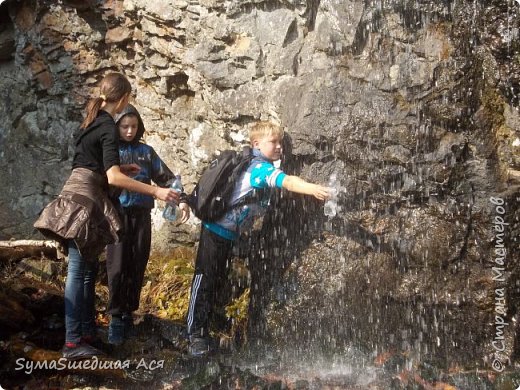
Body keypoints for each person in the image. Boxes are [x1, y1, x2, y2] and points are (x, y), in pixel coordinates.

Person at [34, 73, 179, 360]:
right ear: (124, 98)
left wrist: (121, 170)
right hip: (85, 201)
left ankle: (86, 334)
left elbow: (91, 165)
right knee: (78, 271)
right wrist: (156, 192)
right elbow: (111, 177)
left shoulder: (91, 122)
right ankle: (73, 341)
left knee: (86, 270)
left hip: (79, 194)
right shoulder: (108, 127)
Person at [186, 121, 331, 356]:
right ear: (256, 144)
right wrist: (314, 189)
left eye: (281, 142)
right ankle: (195, 336)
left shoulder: (260, 165)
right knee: (205, 282)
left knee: (219, 282)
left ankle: (210, 331)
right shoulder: (259, 169)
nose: (279, 147)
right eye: (273, 142)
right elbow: (288, 181)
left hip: (232, 236)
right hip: (215, 232)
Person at [105, 104, 190, 345]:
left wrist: (182, 200)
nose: (129, 131)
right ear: (117, 127)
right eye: (124, 126)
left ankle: (129, 313)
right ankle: (115, 318)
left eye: (133, 126)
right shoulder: (111, 151)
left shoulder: (146, 152)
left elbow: (168, 178)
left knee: (137, 263)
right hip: (117, 214)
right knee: (117, 266)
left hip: (142, 214)